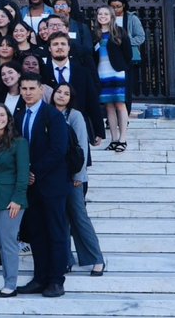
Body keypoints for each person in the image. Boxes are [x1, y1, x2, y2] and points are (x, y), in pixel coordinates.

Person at [15, 74, 71, 297]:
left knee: (56, 232)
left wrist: (34, 172)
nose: (28, 92)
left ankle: (56, 281)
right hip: (31, 187)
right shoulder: (19, 115)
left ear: (41, 90)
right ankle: (40, 278)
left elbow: (58, 150)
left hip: (52, 184)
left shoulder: (53, 115)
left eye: (32, 88)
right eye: (24, 88)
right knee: (37, 233)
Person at [51, 83, 106, 277]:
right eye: (59, 92)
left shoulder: (75, 116)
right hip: (54, 176)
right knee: (61, 218)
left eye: (66, 93)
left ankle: (96, 259)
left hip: (73, 175)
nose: (61, 95)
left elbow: (81, 146)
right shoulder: (48, 113)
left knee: (79, 216)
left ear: (70, 98)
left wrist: (79, 176)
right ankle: (66, 259)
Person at [0, 103, 29, 297]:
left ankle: (11, 285)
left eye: (2, 115)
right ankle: (7, 282)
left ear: (8, 118)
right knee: (2, 242)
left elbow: (23, 173)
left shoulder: (19, 142)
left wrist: (18, 198)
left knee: (8, 242)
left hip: (12, 199)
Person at [93, 6, 133, 152]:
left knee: (120, 105)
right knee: (109, 106)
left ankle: (123, 139)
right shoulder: (95, 34)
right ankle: (114, 139)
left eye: (106, 14)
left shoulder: (119, 32)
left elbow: (128, 54)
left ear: (111, 16)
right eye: (100, 14)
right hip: (101, 74)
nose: (102, 16)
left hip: (117, 73)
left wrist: (122, 67)